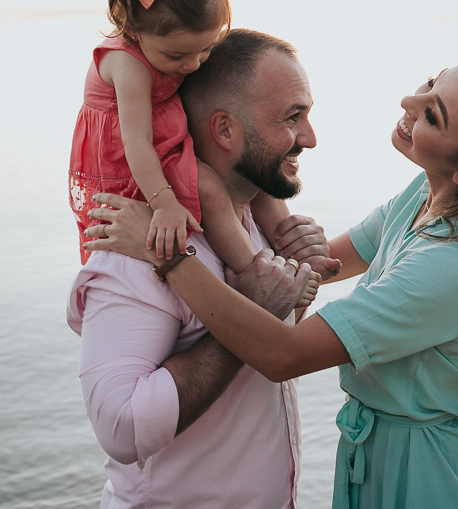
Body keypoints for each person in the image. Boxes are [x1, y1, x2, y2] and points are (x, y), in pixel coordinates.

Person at [83, 55, 458, 508]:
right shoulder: (424, 199)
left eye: (433, 115)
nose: (409, 102)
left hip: (423, 472)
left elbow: (284, 355)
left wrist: (166, 255)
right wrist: (240, 192)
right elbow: (324, 262)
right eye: (431, 82)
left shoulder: (452, 267)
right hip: (371, 452)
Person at [68, 29, 334, 509]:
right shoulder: (142, 246)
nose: (310, 138)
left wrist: (302, 262)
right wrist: (251, 317)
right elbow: (121, 427)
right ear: (225, 130)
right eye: (293, 118)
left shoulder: (254, 222)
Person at [68, 0, 282, 277]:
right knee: (209, 188)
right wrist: (164, 203)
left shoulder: (172, 48)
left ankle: (286, 240)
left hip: (166, 143)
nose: (193, 63)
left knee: (245, 171)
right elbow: (137, 142)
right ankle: (256, 275)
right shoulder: (127, 64)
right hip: (127, 160)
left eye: (205, 49)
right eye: (177, 56)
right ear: (133, 30)